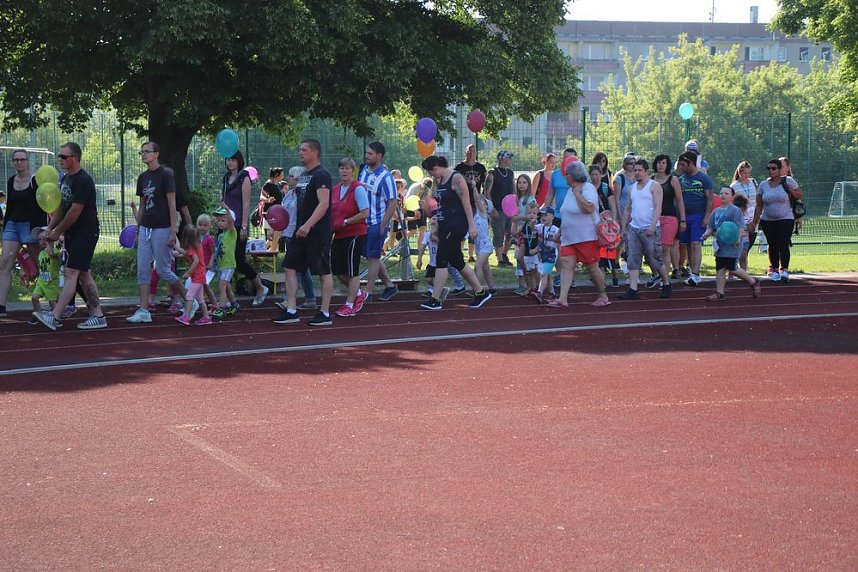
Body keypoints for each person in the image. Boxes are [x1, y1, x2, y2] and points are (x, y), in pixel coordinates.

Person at [33, 142, 107, 331]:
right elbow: (61, 208)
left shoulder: (83, 180)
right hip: (74, 233)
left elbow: (74, 211)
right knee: (83, 273)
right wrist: (49, 228)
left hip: (86, 231)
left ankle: (55, 316)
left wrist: (57, 232)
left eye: (64, 156)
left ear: (75, 158)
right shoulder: (66, 179)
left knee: (70, 272)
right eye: (59, 156)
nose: (60, 159)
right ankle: (98, 315)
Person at [272, 138, 335, 326]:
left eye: (304, 150)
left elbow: (324, 204)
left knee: (323, 271)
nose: (300, 152)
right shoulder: (304, 176)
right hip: (299, 231)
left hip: (317, 232)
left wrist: (308, 225)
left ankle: (324, 313)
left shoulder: (322, 175)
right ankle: (291, 310)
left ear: (315, 152)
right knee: (289, 266)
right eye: (299, 149)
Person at [418, 155, 492, 310]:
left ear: (438, 166)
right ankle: (481, 292)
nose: (432, 174)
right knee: (457, 260)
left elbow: (466, 203)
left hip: (457, 224)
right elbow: (434, 204)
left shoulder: (456, 178)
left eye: (432, 171)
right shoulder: (438, 180)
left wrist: (471, 226)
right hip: (444, 224)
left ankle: (435, 299)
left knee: (441, 258)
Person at [126, 142, 186, 324]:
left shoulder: (166, 175)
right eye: (142, 152)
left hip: (162, 228)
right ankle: (144, 310)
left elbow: (172, 204)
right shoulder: (143, 177)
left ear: (156, 154)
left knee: (163, 270)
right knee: (142, 269)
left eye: (147, 152)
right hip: (146, 228)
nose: (143, 155)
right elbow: (143, 204)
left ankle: (190, 299)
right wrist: (138, 228)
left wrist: (173, 230)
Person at [547, 160, 610, 308]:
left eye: (567, 174)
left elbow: (589, 208)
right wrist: (560, 232)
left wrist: (577, 194)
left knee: (592, 267)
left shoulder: (587, 188)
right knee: (566, 265)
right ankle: (562, 298)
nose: (565, 176)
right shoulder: (570, 190)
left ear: (574, 175)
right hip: (569, 237)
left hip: (586, 237)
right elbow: (567, 214)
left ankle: (603, 295)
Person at [617, 159, 672, 301]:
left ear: (646, 171)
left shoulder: (654, 186)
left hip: (649, 228)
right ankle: (633, 289)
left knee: (654, 259)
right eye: (635, 170)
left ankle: (666, 283)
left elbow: (658, 207)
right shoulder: (632, 188)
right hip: (634, 228)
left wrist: (653, 226)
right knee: (632, 259)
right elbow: (627, 209)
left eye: (639, 170)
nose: (636, 173)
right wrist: (623, 228)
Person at [1, 149, 46, 318]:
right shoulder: (11, 180)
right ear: (13, 162)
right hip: (12, 226)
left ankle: (52, 303)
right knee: (5, 264)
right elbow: (10, 206)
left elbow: (42, 206)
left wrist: (41, 230)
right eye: (16, 160)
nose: (19, 162)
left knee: (42, 266)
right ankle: (1, 305)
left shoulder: (35, 181)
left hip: (30, 227)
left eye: (22, 159)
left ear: (27, 162)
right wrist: (5, 226)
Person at [222, 150, 269, 306]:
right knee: (225, 260)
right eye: (228, 159)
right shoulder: (225, 178)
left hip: (238, 225)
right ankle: (226, 297)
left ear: (239, 162)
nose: (230, 162)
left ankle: (260, 288)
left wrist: (243, 226)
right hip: (226, 224)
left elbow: (246, 203)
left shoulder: (244, 177)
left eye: (233, 160)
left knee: (239, 260)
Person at [700, 187, 762, 300]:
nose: (723, 195)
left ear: (732, 197)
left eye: (726, 193)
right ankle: (720, 293)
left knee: (732, 267)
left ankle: (753, 281)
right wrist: (706, 234)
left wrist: (738, 239)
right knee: (720, 268)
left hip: (733, 245)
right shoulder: (716, 212)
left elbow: (741, 227)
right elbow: (711, 227)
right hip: (721, 245)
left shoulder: (735, 210)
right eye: (721, 193)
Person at [357, 141, 399, 302]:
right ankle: (389, 285)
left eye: (370, 153)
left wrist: (383, 224)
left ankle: (368, 292)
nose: (366, 156)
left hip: (376, 222)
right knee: (371, 256)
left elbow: (393, 202)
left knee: (373, 257)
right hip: (362, 221)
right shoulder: (363, 171)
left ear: (379, 155)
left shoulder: (386, 177)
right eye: (366, 153)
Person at [330, 158, 370, 318]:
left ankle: (350, 304)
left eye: (347, 168)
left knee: (352, 271)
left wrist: (346, 221)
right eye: (341, 168)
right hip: (338, 233)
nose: (344, 171)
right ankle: (359, 293)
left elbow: (365, 213)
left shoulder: (358, 189)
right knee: (338, 270)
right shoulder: (336, 189)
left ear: (353, 171)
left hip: (355, 233)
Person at [275, 166, 317, 310]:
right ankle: (310, 298)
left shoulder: (304, 195)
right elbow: (283, 212)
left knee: (293, 267)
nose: (288, 178)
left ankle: (288, 300)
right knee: (302, 269)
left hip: (299, 234)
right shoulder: (289, 194)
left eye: (291, 176)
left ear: (299, 179)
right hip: (288, 233)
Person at [752, 158, 801, 283]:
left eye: (773, 168)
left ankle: (784, 270)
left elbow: (799, 195)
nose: (771, 170)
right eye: (768, 168)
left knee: (783, 243)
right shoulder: (763, 185)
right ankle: (774, 269)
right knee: (772, 244)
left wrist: (789, 189)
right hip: (768, 220)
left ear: (779, 170)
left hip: (785, 218)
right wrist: (755, 221)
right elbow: (759, 205)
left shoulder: (788, 180)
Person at [676, 150, 714, 286]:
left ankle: (696, 274)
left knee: (696, 244)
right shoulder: (681, 179)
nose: (681, 167)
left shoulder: (703, 178)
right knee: (687, 245)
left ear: (691, 163)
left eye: (683, 164)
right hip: (684, 216)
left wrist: (707, 216)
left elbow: (710, 198)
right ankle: (692, 272)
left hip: (698, 215)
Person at [652, 154, 686, 280]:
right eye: (659, 162)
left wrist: (683, 220)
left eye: (663, 163)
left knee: (665, 248)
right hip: (653, 219)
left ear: (667, 165)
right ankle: (657, 275)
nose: (661, 165)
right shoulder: (651, 180)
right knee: (653, 249)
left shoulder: (673, 180)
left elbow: (679, 200)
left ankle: (665, 279)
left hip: (669, 218)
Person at [174, 223, 213, 325]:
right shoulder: (196, 246)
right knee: (200, 299)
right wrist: (174, 246)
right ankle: (206, 317)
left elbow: (195, 261)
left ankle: (186, 317)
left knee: (189, 295)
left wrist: (188, 273)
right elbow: (184, 252)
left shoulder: (192, 249)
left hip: (198, 276)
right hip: (200, 275)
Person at [454, 144, 487, 263]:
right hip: (462, 202)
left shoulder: (481, 168)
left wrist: (483, 199)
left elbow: (484, 185)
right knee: (461, 227)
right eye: (469, 151)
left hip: (475, 202)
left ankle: (471, 255)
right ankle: (459, 253)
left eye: (474, 151)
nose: (472, 153)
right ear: (465, 152)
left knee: (474, 227)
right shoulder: (459, 167)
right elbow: (454, 184)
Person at [484, 150, 515, 267]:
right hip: (498, 209)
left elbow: (513, 190)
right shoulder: (493, 173)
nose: (510, 160)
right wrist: (492, 209)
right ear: (502, 159)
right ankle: (500, 259)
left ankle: (504, 254)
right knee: (499, 234)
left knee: (511, 234)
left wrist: (515, 205)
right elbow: (487, 192)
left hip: (510, 209)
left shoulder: (510, 173)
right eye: (509, 157)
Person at [210, 206, 239, 319]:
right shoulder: (221, 235)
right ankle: (235, 304)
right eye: (218, 220)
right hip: (222, 265)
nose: (219, 222)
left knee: (222, 286)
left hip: (228, 264)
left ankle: (221, 308)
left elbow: (231, 221)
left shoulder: (232, 232)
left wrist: (226, 208)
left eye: (223, 220)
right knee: (227, 287)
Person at [730, 160, 758, 272]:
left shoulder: (753, 182)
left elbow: (757, 200)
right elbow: (732, 204)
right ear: (739, 172)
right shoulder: (734, 186)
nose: (746, 175)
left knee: (749, 244)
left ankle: (743, 270)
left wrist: (756, 219)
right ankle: (737, 269)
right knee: (742, 248)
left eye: (748, 173)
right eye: (744, 173)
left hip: (754, 218)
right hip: (741, 219)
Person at [27, 229, 60, 324]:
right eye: (39, 239)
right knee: (34, 297)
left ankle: (56, 319)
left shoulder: (55, 250)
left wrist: (49, 242)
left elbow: (51, 254)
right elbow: (41, 267)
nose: (42, 241)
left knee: (52, 302)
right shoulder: (41, 253)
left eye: (44, 239)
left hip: (51, 282)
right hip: (41, 281)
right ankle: (38, 314)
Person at [535, 206, 560, 301]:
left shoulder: (556, 230)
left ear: (552, 217)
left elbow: (559, 242)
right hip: (542, 254)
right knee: (547, 274)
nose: (543, 217)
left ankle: (540, 292)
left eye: (545, 215)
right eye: (541, 215)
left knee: (544, 274)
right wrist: (532, 223)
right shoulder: (539, 227)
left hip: (551, 254)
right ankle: (552, 293)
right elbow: (532, 228)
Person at [196, 213, 219, 309]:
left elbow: (213, 252)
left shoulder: (209, 239)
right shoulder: (197, 238)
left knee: (205, 285)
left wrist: (210, 263)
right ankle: (199, 303)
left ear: (209, 226)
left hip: (206, 266)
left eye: (205, 225)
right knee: (200, 285)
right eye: (200, 225)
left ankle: (214, 304)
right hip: (199, 265)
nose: (202, 227)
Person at [260, 167, 286, 251]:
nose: (283, 177)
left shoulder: (278, 184)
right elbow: (262, 197)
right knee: (277, 231)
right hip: (270, 212)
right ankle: (273, 250)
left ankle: (262, 249)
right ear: (276, 175)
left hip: (277, 212)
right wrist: (268, 200)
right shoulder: (268, 185)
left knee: (275, 234)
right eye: (282, 175)